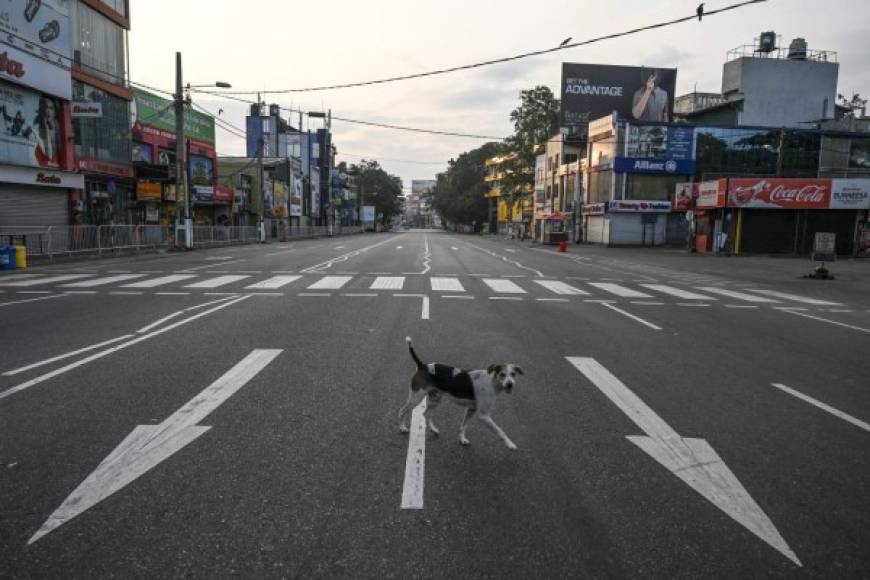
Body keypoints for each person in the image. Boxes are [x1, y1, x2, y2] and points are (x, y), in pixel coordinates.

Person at [34, 97, 61, 168]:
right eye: (46, 107)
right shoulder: (38, 127)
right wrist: (46, 128)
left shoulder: (59, 128)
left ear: (55, 112)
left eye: (51, 108)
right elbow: (48, 155)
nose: (48, 111)